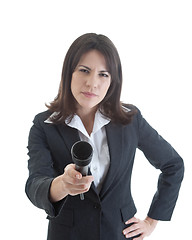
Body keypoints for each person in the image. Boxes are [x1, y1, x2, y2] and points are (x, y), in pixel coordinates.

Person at [25, 33, 184, 240]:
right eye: (84, 70)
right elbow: (35, 184)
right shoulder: (44, 125)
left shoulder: (130, 120)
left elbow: (173, 164)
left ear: (113, 81)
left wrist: (152, 221)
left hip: (119, 233)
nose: (92, 83)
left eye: (103, 74)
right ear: (68, 73)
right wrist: (63, 184)